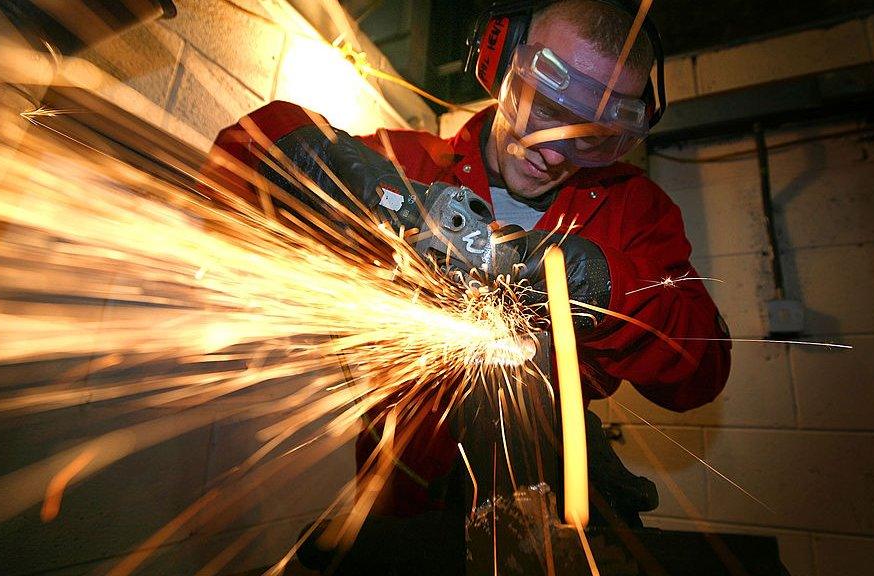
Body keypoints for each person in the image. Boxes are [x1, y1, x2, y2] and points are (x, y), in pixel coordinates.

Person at [200, 0, 731, 569]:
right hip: (406, 498)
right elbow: (240, 153)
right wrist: (387, 197)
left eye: (592, 139)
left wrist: (597, 284)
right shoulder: (411, 163)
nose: (554, 152)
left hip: (558, 487)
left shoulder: (632, 212)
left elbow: (702, 369)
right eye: (543, 109)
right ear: (501, 62)